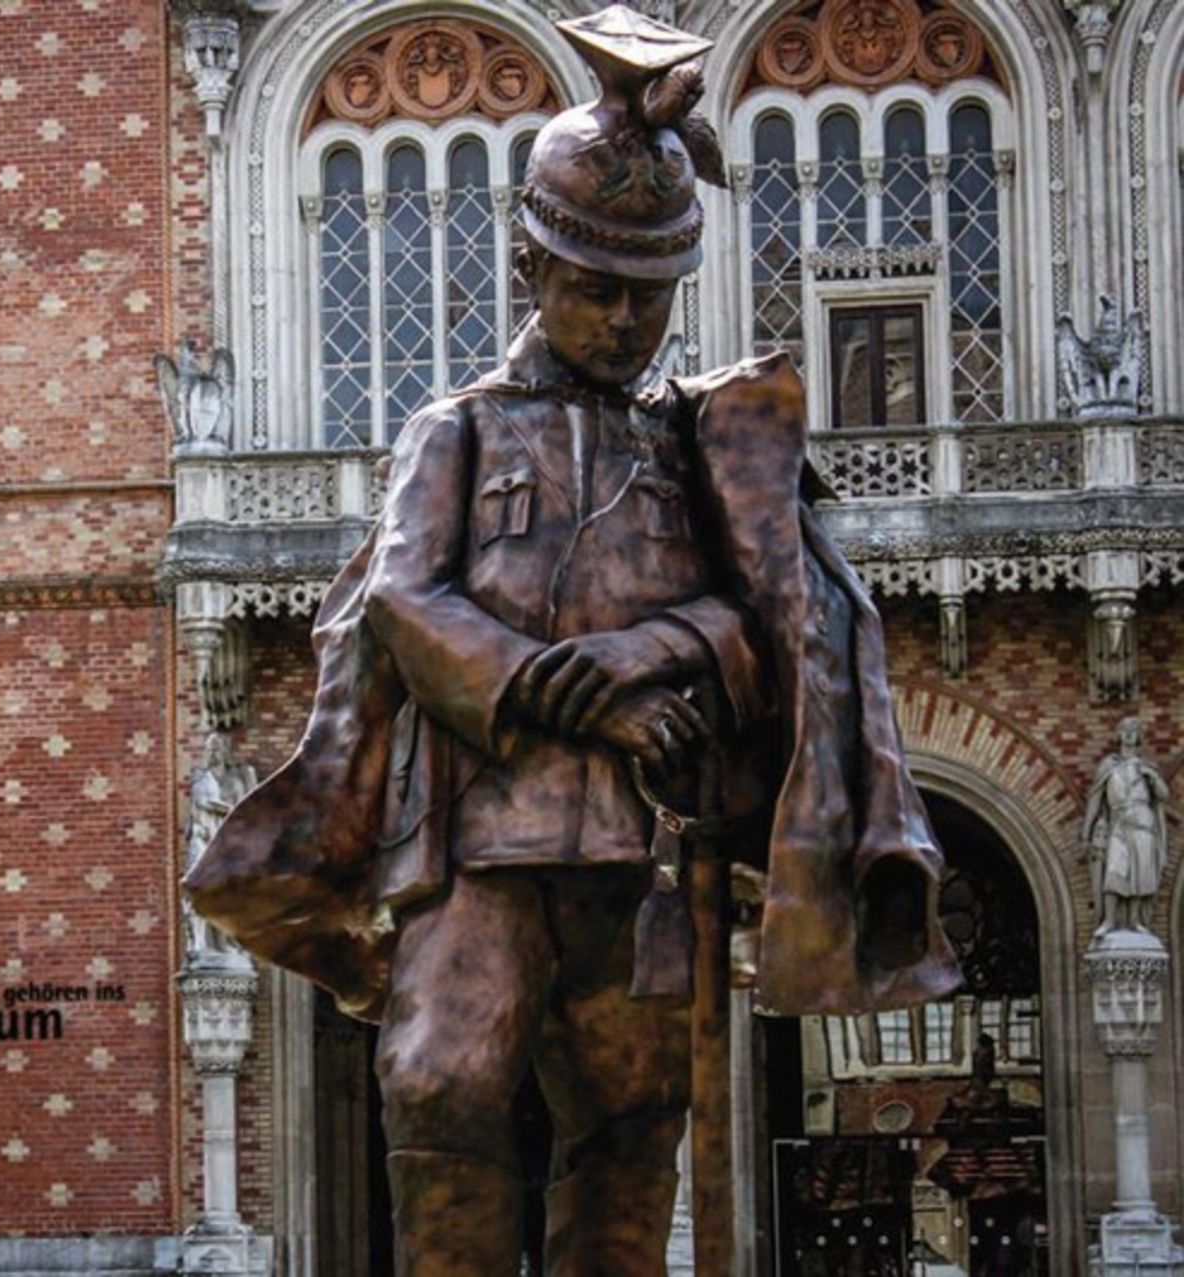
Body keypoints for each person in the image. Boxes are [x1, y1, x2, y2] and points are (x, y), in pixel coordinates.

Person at [185, 8, 960, 1274]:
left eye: (649, 298)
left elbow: (773, 621)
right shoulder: (460, 430)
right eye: (599, 291)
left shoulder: (702, 446)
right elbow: (403, 599)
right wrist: (574, 689)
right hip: (484, 842)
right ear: (531, 272)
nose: (625, 323)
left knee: (635, 1113)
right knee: (440, 1082)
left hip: (644, 847)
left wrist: (660, 648)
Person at [1085, 716, 1170, 937]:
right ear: (1119, 735)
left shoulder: (1147, 767)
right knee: (1115, 869)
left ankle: (1135, 921)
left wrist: (1152, 778)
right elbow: (1095, 799)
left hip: (1143, 824)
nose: (1130, 733)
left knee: (1141, 872)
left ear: (1139, 736)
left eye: (1134, 730)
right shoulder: (1109, 766)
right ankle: (1110, 920)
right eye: (1125, 729)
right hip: (1118, 823)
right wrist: (1087, 831)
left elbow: (1163, 795)